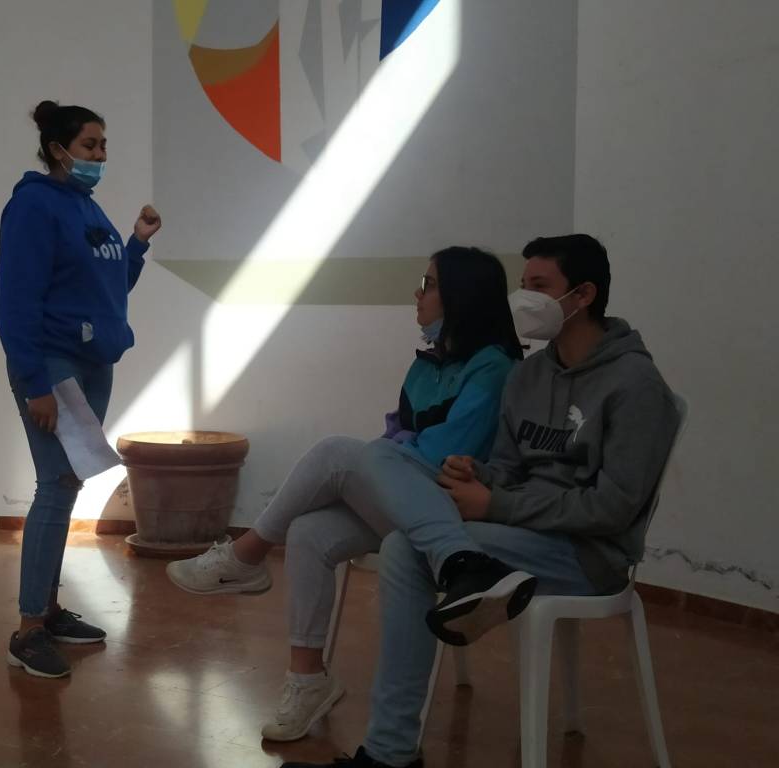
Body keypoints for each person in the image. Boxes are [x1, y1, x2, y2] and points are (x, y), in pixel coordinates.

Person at [285, 234, 681, 768]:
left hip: (588, 554)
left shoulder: (636, 385)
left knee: (404, 548)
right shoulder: (531, 374)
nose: (525, 299)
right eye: (522, 284)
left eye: (540, 286)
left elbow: (613, 510)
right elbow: (510, 469)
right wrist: (477, 474)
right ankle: (391, 751)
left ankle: (389, 754)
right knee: (401, 539)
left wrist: (496, 505)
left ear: (584, 295)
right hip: (522, 533)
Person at [168, 247, 523, 741]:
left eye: (430, 284)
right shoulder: (427, 365)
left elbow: (444, 456)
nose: (417, 294)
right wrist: (381, 465)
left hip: (449, 509)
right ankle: (308, 679)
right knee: (308, 531)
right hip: (405, 498)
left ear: (462, 296)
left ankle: (246, 555)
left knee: (339, 453)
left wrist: (380, 463)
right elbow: (400, 437)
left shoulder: (494, 368)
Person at [0, 100, 162, 679]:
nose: (101, 155)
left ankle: (47, 609)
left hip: (94, 363)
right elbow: (14, 301)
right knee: (55, 484)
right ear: (57, 149)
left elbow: (108, 287)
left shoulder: (87, 208)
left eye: (104, 145)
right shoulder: (34, 205)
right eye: (90, 145)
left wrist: (136, 242)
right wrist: (35, 382)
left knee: (67, 486)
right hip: (53, 365)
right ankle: (28, 630)